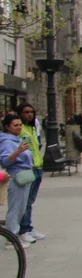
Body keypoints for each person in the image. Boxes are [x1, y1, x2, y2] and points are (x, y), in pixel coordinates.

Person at [0, 113, 33, 247]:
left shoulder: (17, 139)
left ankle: (15, 235)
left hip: (24, 176)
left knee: (21, 208)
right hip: (16, 176)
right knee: (15, 208)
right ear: (7, 127)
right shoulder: (7, 141)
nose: (19, 127)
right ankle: (11, 238)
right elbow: (5, 161)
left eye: (20, 125)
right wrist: (18, 151)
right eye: (15, 125)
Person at [16, 104, 43, 243]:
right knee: (25, 201)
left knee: (30, 201)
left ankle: (29, 226)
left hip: (38, 167)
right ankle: (23, 229)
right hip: (30, 168)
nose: (30, 114)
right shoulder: (21, 129)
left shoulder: (32, 128)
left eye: (32, 112)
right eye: (26, 112)